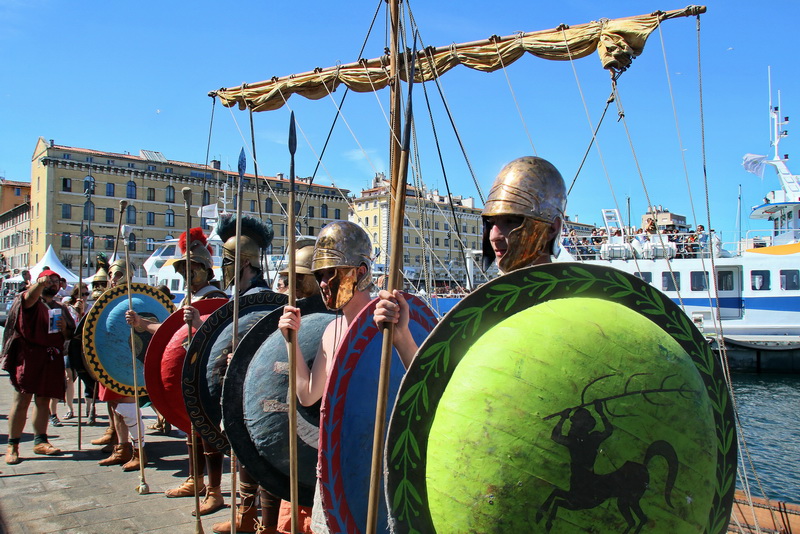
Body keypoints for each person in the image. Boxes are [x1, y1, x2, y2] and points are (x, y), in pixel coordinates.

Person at [375, 155, 567, 368]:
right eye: (491, 223)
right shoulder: (490, 307)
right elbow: (450, 389)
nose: (494, 236)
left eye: (511, 221)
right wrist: (401, 336)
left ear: (552, 228)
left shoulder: (572, 307)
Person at [279, 221, 375, 534]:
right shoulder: (331, 330)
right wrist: (290, 342)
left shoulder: (387, 321)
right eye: (319, 275)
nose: (323, 282)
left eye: (331, 272)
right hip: (335, 467)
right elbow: (308, 395)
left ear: (360, 272)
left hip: (373, 468)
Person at [126, 228, 228, 516]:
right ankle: (195, 480)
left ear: (205, 269)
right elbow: (173, 336)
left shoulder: (216, 297)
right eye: (183, 267)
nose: (186, 273)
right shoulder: (188, 299)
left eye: (191, 267)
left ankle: (215, 492)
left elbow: (221, 338)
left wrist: (197, 322)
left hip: (208, 372)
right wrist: (142, 324)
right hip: (189, 372)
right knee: (192, 429)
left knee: (208, 433)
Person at [211, 214, 280, 534]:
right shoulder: (238, 300)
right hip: (241, 392)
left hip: (263, 393)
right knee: (244, 457)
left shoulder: (259, 303)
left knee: (263, 458)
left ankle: (264, 525)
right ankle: (246, 517)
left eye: (227, 260)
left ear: (245, 262)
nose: (222, 267)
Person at [2, 269, 76, 464]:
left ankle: (40, 441)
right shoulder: (29, 300)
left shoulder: (60, 307)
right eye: (49, 281)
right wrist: (40, 283)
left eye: (56, 282)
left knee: (43, 401)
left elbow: (69, 335)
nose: (53, 284)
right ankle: (13, 445)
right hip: (29, 356)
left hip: (51, 357)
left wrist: (65, 329)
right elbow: (30, 297)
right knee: (22, 400)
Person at [94, 259, 147, 472]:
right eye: (111, 275)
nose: (113, 279)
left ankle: (139, 452)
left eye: (117, 274)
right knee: (116, 408)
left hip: (130, 360)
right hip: (110, 360)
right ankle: (122, 448)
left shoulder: (138, 300)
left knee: (127, 408)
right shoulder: (107, 299)